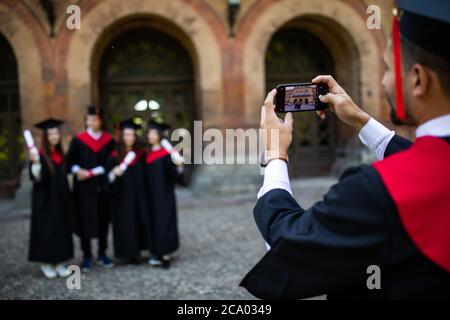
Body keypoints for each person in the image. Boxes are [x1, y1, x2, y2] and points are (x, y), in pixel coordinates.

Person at [240, 0, 450, 299]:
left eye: (388, 68)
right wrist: (361, 121)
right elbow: (427, 162)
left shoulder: (374, 191)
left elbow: (290, 246)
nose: (383, 81)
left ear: (417, 79)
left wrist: (275, 155)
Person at [66, 106, 116, 272]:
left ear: (100, 121)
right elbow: (69, 162)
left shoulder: (108, 141)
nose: (92, 121)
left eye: (95, 119)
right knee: (83, 220)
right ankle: (86, 255)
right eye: (89, 119)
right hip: (83, 189)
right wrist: (77, 170)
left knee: (103, 220)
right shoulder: (78, 140)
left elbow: (112, 162)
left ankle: (102, 253)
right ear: (86, 120)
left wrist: (94, 172)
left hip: (101, 187)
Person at [28, 119, 73, 278]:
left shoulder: (60, 154)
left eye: (56, 133)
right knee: (48, 230)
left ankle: (59, 262)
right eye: (50, 134)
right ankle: (46, 263)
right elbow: (36, 177)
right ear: (45, 137)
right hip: (46, 202)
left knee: (61, 230)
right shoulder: (39, 156)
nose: (54, 136)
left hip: (60, 201)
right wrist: (35, 164)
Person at [106, 119, 152, 264]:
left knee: (139, 221)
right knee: (126, 223)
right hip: (122, 198)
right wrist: (114, 172)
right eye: (127, 135)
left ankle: (139, 250)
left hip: (139, 196)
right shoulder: (114, 156)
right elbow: (107, 178)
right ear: (121, 137)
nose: (130, 138)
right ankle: (129, 253)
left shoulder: (140, 154)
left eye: (132, 135)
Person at [144, 121, 185, 268]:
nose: (150, 135)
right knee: (152, 222)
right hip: (149, 196)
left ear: (160, 135)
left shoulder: (166, 154)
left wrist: (179, 166)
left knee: (164, 222)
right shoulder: (146, 154)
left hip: (164, 195)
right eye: (149, 133)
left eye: (153, 133)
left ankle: (165, 253)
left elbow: (174, 175)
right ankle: (155, 252)